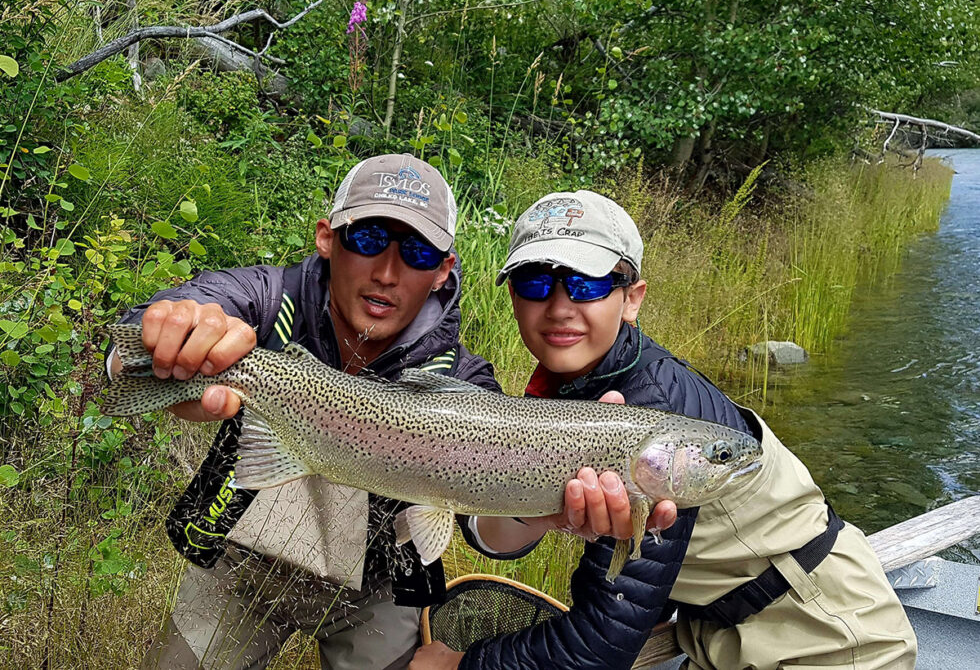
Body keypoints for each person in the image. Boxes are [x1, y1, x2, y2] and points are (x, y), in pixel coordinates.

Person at [114, 155, 669, 670]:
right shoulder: (266, 300)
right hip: (241, 564)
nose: (387, 271)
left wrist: (542, 513)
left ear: (444, 271)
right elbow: (166, 322)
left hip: (379, 585)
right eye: (370, 238)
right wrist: (164, 338)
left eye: (419, 253)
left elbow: (482, 527)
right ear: (328, 238)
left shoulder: (463, 383)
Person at [410, 190, 917, 670]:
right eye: (535, 283)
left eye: (587, 283)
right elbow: (508, 526)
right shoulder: (581, 388)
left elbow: (599, 646)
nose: (559, 306)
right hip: (729, 640)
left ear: (632, 298)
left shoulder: (650, 420)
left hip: (833, 645)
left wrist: (460, 663)